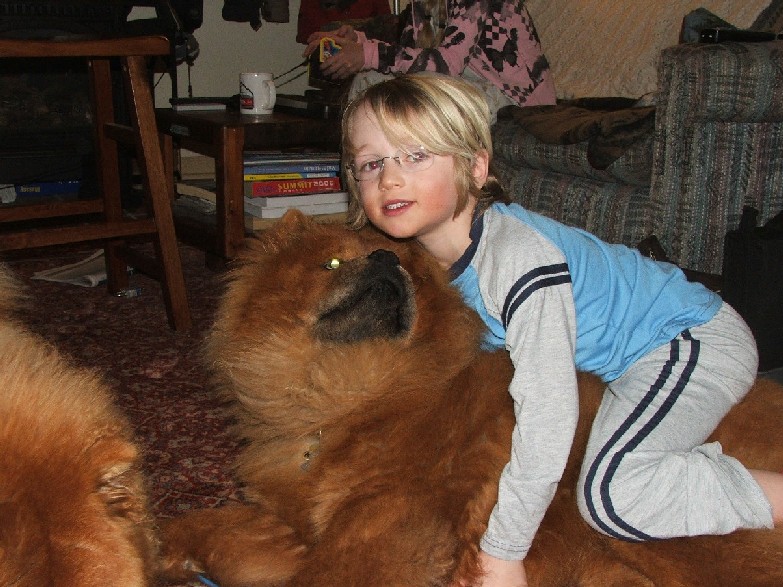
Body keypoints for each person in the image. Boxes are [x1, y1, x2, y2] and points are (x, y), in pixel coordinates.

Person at [339, 72, 783, 587]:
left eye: (416, 156)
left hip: (687, 338)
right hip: (634, 359)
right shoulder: (426, 265)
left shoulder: (517, 260)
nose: (390, 179)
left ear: (475, 167)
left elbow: (548, 412)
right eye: (372, 164)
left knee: (611, 495)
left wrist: (504, 552)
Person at [303, 0, 555, 123]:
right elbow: (413, 55)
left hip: (517, 98)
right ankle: (371, 188)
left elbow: (448, 63)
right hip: (465, 80)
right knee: (368, 83)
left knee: (421, 96)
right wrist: (356, 41)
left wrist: (366, 54)